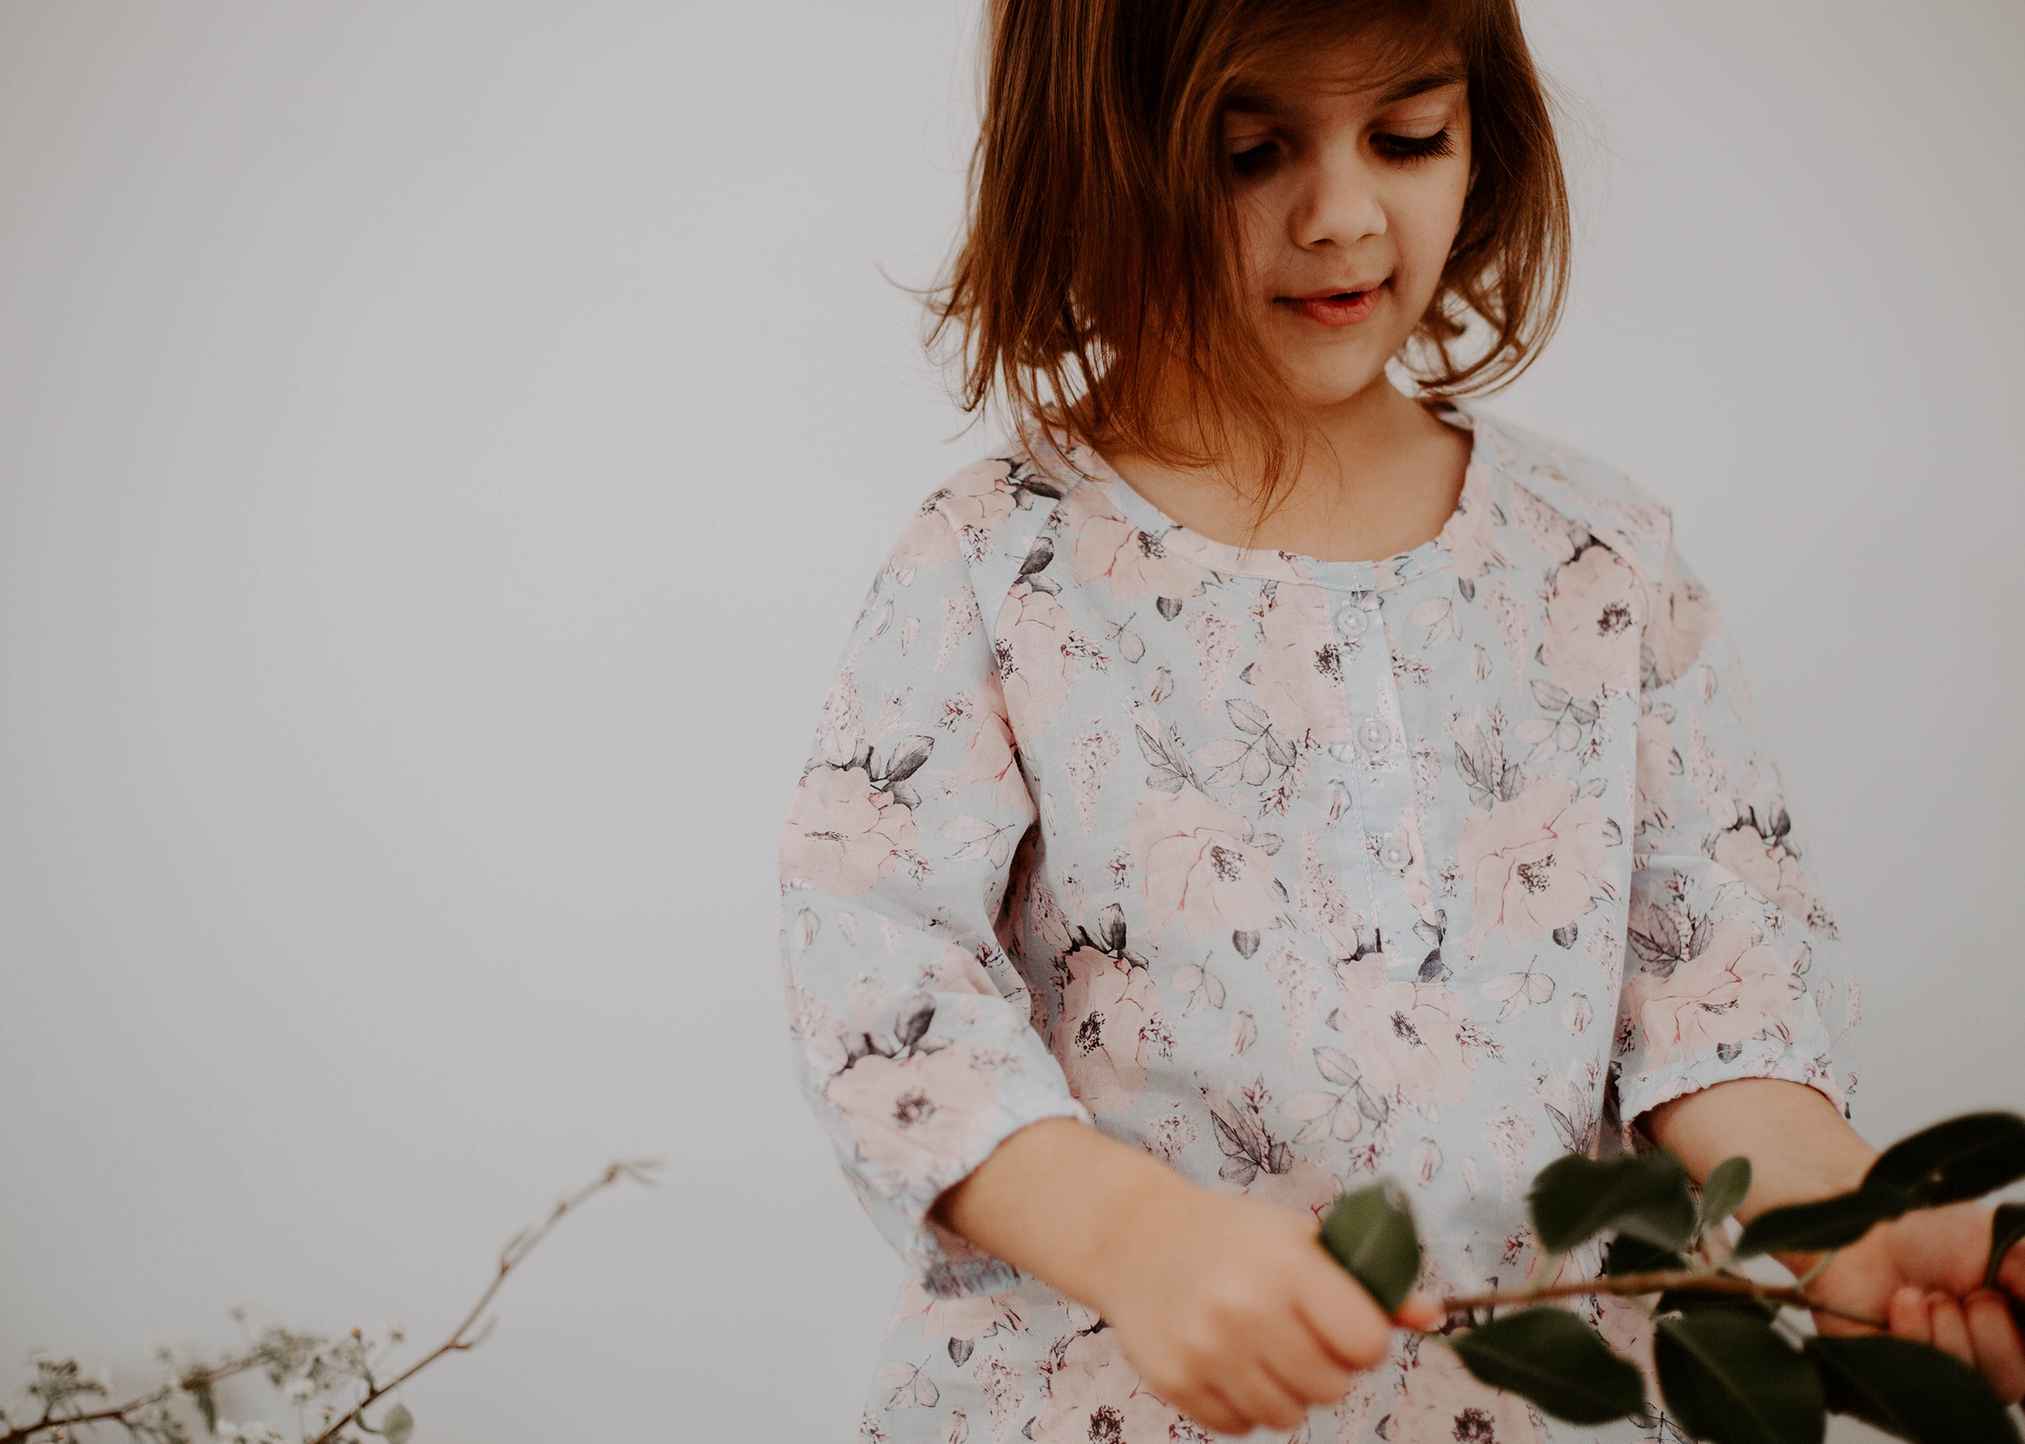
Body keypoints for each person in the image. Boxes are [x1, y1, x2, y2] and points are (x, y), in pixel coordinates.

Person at [775, 0, 2025, 1437]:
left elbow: (1715, 987)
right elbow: (882, 985)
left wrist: (1854, 1221)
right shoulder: (1001, 563)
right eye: (1252, 153)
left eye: (1408, 135)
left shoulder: (1598, 561)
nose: (1344, 215)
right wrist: (1137, 1239)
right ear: (1096, 160)